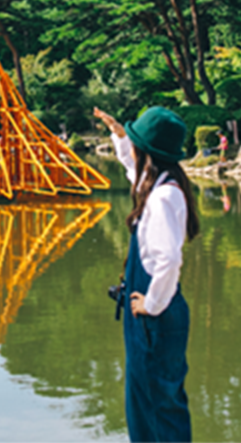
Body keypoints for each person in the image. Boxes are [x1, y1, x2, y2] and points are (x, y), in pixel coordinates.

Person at [94, 106, 200, 443]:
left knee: (158, 409)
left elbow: (168, 261)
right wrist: (119, 134)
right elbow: (132, 169)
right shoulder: (157, 184)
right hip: (152, 315)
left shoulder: (163, 196)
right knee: (146, 406)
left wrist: (151, 304)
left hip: (155, 316)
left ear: (148, 153)